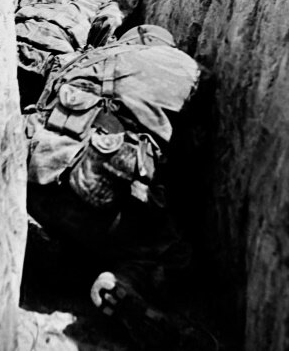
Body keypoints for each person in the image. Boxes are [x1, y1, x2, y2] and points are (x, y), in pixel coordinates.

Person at [23, 24, 214, 349]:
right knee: (174, 253)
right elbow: (199, 108)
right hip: (98, 185)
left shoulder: (83, 58)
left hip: (34, 174)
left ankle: (60, 255)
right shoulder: (178, 64)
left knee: (74, 237)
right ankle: (123, 282)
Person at [15, 0, 123, 107]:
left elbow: (14, 3)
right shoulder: (101, 3)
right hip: (54, 55)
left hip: (16, 39)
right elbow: (109, 22)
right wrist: (91, 48)